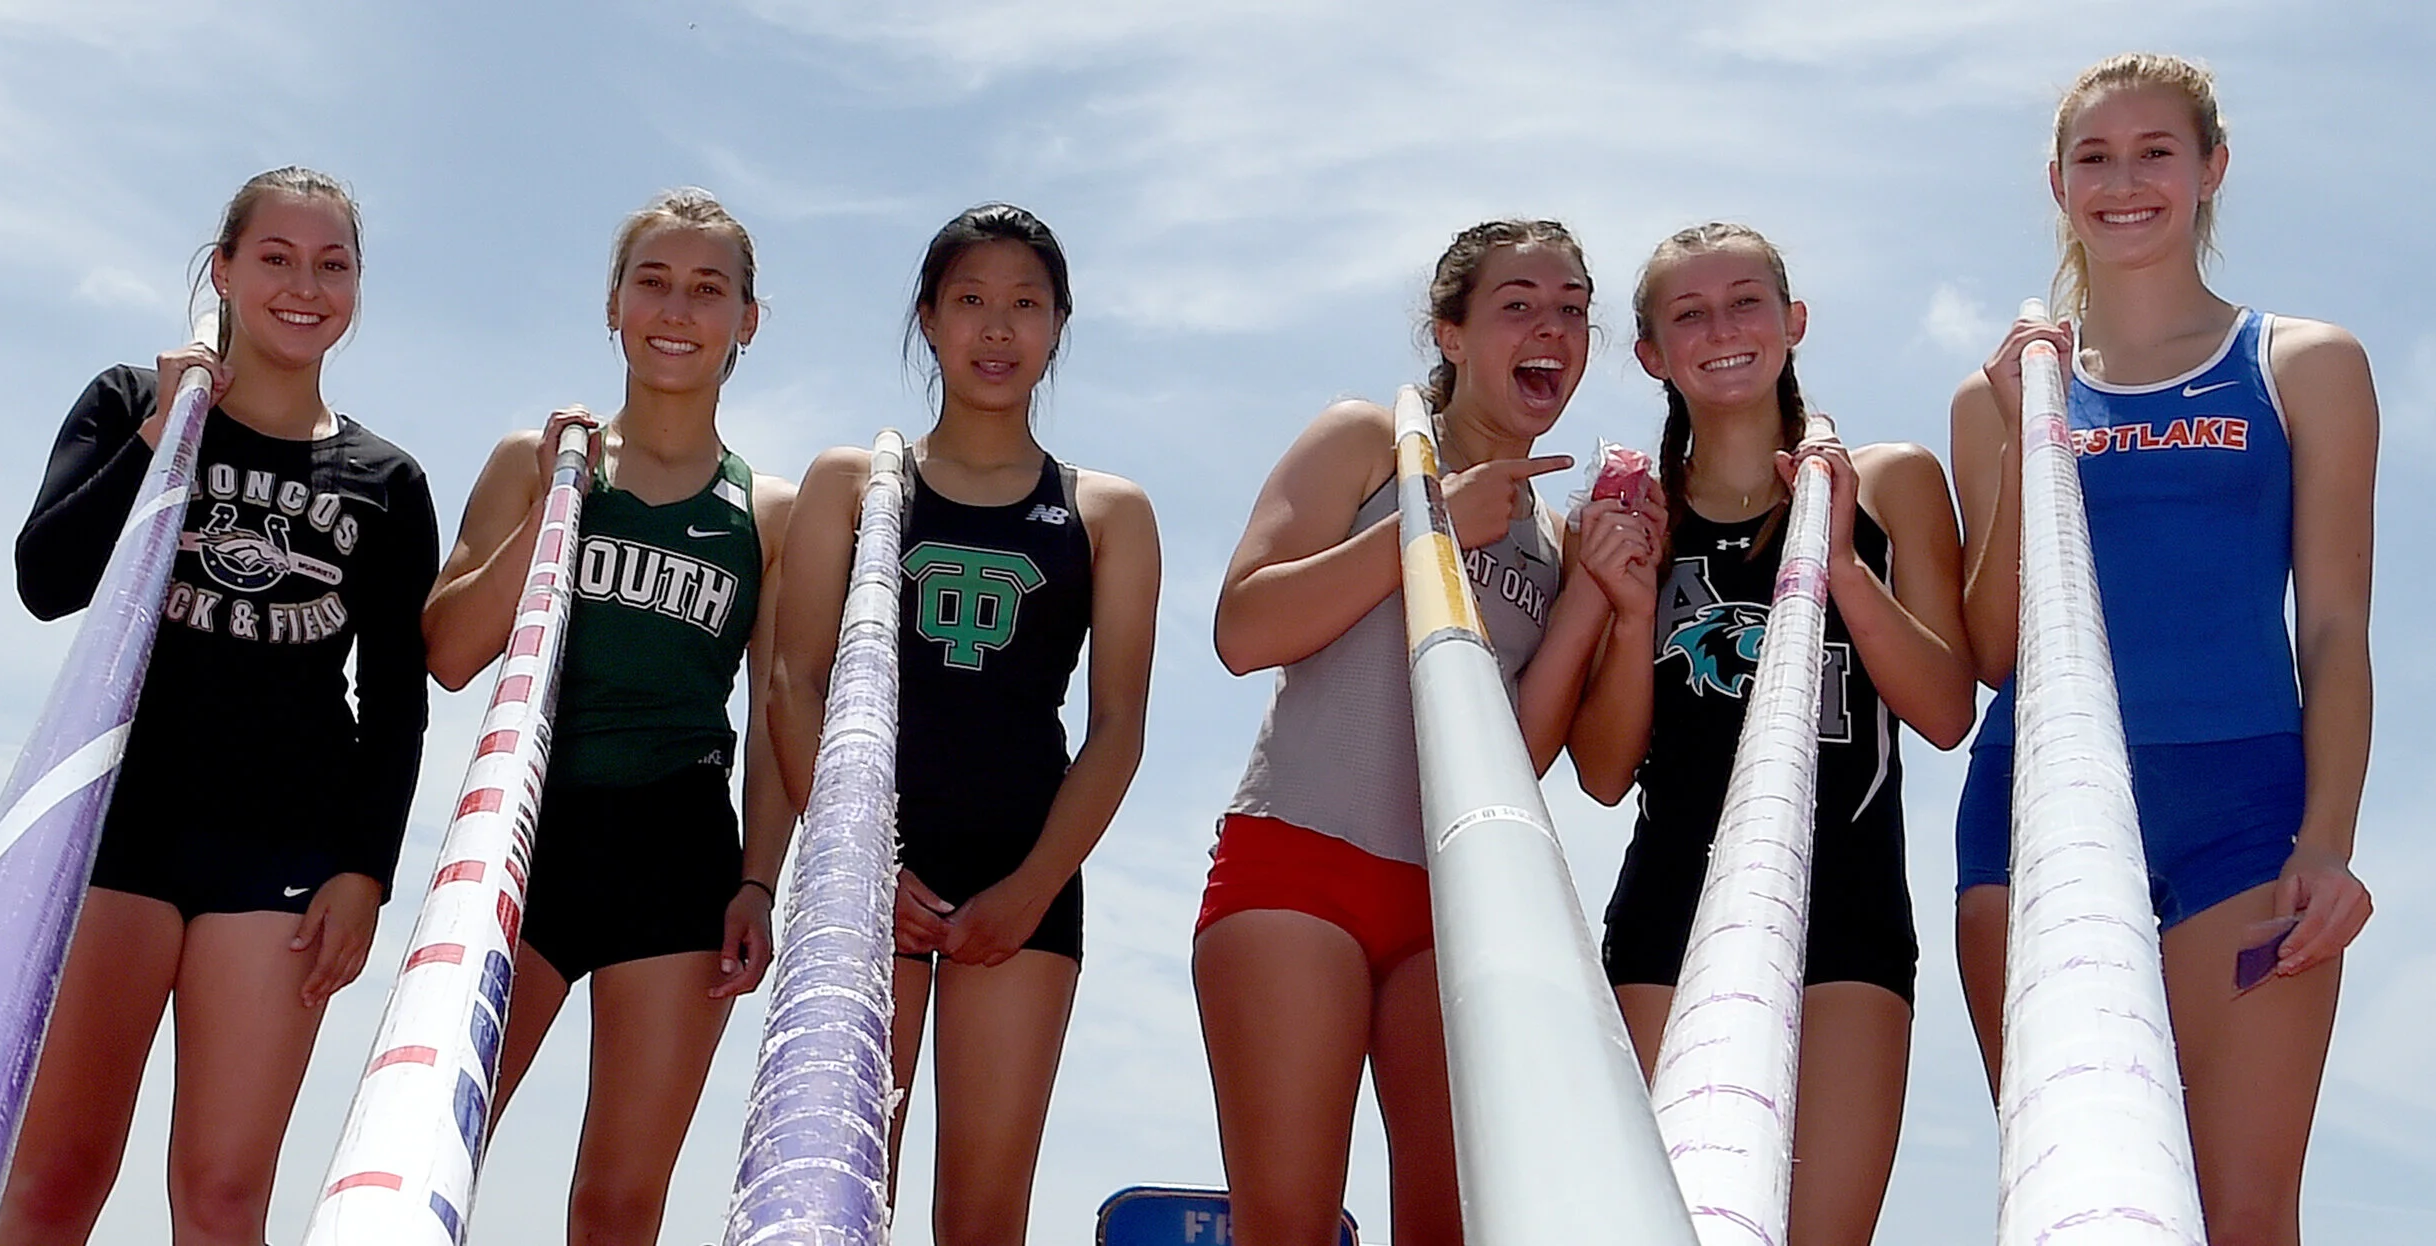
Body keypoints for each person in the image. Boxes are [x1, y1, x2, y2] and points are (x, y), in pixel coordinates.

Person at [1950, 53, 2376, 1241]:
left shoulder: (2305, 365)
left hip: (2242, 813)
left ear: (2210, 171)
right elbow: (1993, 649)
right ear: (2056, 182)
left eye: (2155, 153)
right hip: (2031, 815)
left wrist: (2328, 843)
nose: (2124, 181)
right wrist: (2017, 441)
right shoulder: (1997, 394)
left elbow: (2334, 627)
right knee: (2080, 1202)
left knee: (2243, 1210)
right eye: (2094, 156)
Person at [1, 167, 436, 1246]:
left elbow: (394, 699)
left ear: (356, 286)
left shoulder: (387, 479)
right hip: (113, 838)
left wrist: (365, 870)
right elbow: (48, 579)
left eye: (332, 263)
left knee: (223, 1199)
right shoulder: (131, 405)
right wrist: (163, 437)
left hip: (281, 855)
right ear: (225, 270)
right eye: (276, 258)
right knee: (54, 1182)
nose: (305, 285)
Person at [1198, 219, 1653, 1246]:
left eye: (1573, 309)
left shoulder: (1546, 531)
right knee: (1288, 1226)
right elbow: (1243, 627)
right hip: (1295, 869)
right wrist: (1430, 522)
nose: (1552, 326)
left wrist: (1594, 597)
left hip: (1456, 906)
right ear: (1450, 334)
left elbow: (1515, 761)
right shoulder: (1371, 438)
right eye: (1519, 304)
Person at [1566, 222, 1975, 1245]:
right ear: (1652, 353)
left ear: (1792, 322)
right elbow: (1607, 773)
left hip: (1847, 915)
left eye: (1745, 301)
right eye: (1688, 313)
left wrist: (1835, 562)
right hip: (1671, 916)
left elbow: (1944, 709)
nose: (1723, 329)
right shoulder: (1630, 517)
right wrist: (1621, 607)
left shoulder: (1889, 482)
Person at [771, 202, 1159, 1246]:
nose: (997, 329)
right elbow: (792, 685)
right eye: (972, 302)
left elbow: (1119, 725)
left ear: (1058, 326)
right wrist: (856, 860)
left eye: (1024, 305)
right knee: (842, 1193)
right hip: (868, 875)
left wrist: (1028, 890)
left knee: (983, 1214)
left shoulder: (1106, 509)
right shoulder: (850, 483)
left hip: (1022, 874)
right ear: (929, 319)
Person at [421, 188, 791, 1246]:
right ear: (614, 304)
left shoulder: (767, 510)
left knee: (619, 1204)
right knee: (438, 1146)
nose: (678, 308)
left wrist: (760, 880)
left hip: (676, 852)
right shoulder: (529, 461)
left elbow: (775, 712)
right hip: (524, 842)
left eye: (708, 289)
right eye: (655, 281)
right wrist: (556, 497)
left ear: (746, 321)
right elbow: (449, 653)